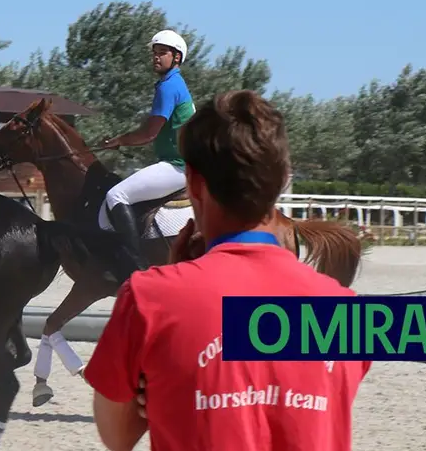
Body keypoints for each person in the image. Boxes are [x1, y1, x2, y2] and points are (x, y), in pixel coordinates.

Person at [84, 90, 371, 451]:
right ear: (283, 178)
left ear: (194, 184)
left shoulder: (148, 298)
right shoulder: (349, 312)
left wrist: (156, 379)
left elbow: (117, 436)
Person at [96, 28, 195, 281]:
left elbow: (150, 133)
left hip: (177, 166)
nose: (156, 58)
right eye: (154, 53)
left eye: (162, 53)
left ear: (176, 58)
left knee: (116, 194)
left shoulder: (169, 86)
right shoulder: (171, 84)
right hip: (180, 164)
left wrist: (119, 140)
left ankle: (135, 264)